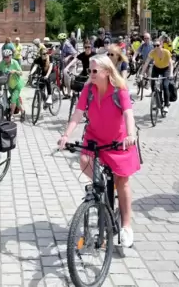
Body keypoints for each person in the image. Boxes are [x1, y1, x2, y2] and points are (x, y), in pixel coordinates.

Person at [58, 54, 140, 247]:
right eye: (90, 70)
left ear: (106, 71)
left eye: (95, 71)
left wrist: (130, 135)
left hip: (118, 142)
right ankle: (101, 193)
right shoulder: (89, 90)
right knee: (85, 162)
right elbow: (77, 114)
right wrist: (66, 135)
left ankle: (126, 226)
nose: (91, 74)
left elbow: (128, 114)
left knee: (122, 182)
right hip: (94, 138)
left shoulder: (120, 91)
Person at [140, 36, 172, 113]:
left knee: (165, 86)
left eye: (157, 45)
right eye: (154, 46)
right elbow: (146, 63)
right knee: (153, 84)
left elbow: (171, 64)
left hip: (166, 69)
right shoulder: (152, 52)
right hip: (156, 68)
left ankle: (166, 105)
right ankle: (156, 102)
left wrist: (171, 73)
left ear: (161, 45)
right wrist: (141, 74)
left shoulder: (166, 52)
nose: (156, 47)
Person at [0, 48, 25, 120]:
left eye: (7, 57)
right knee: (16, 100)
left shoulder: (15, 62)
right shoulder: (2, 63)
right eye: (4, 57)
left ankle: (11, 115)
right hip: (9, 85)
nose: (6, 58)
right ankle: (23, 111)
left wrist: (15, 71)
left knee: (13, 99)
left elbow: (21, 73)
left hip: (17, 84)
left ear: (11, 56)